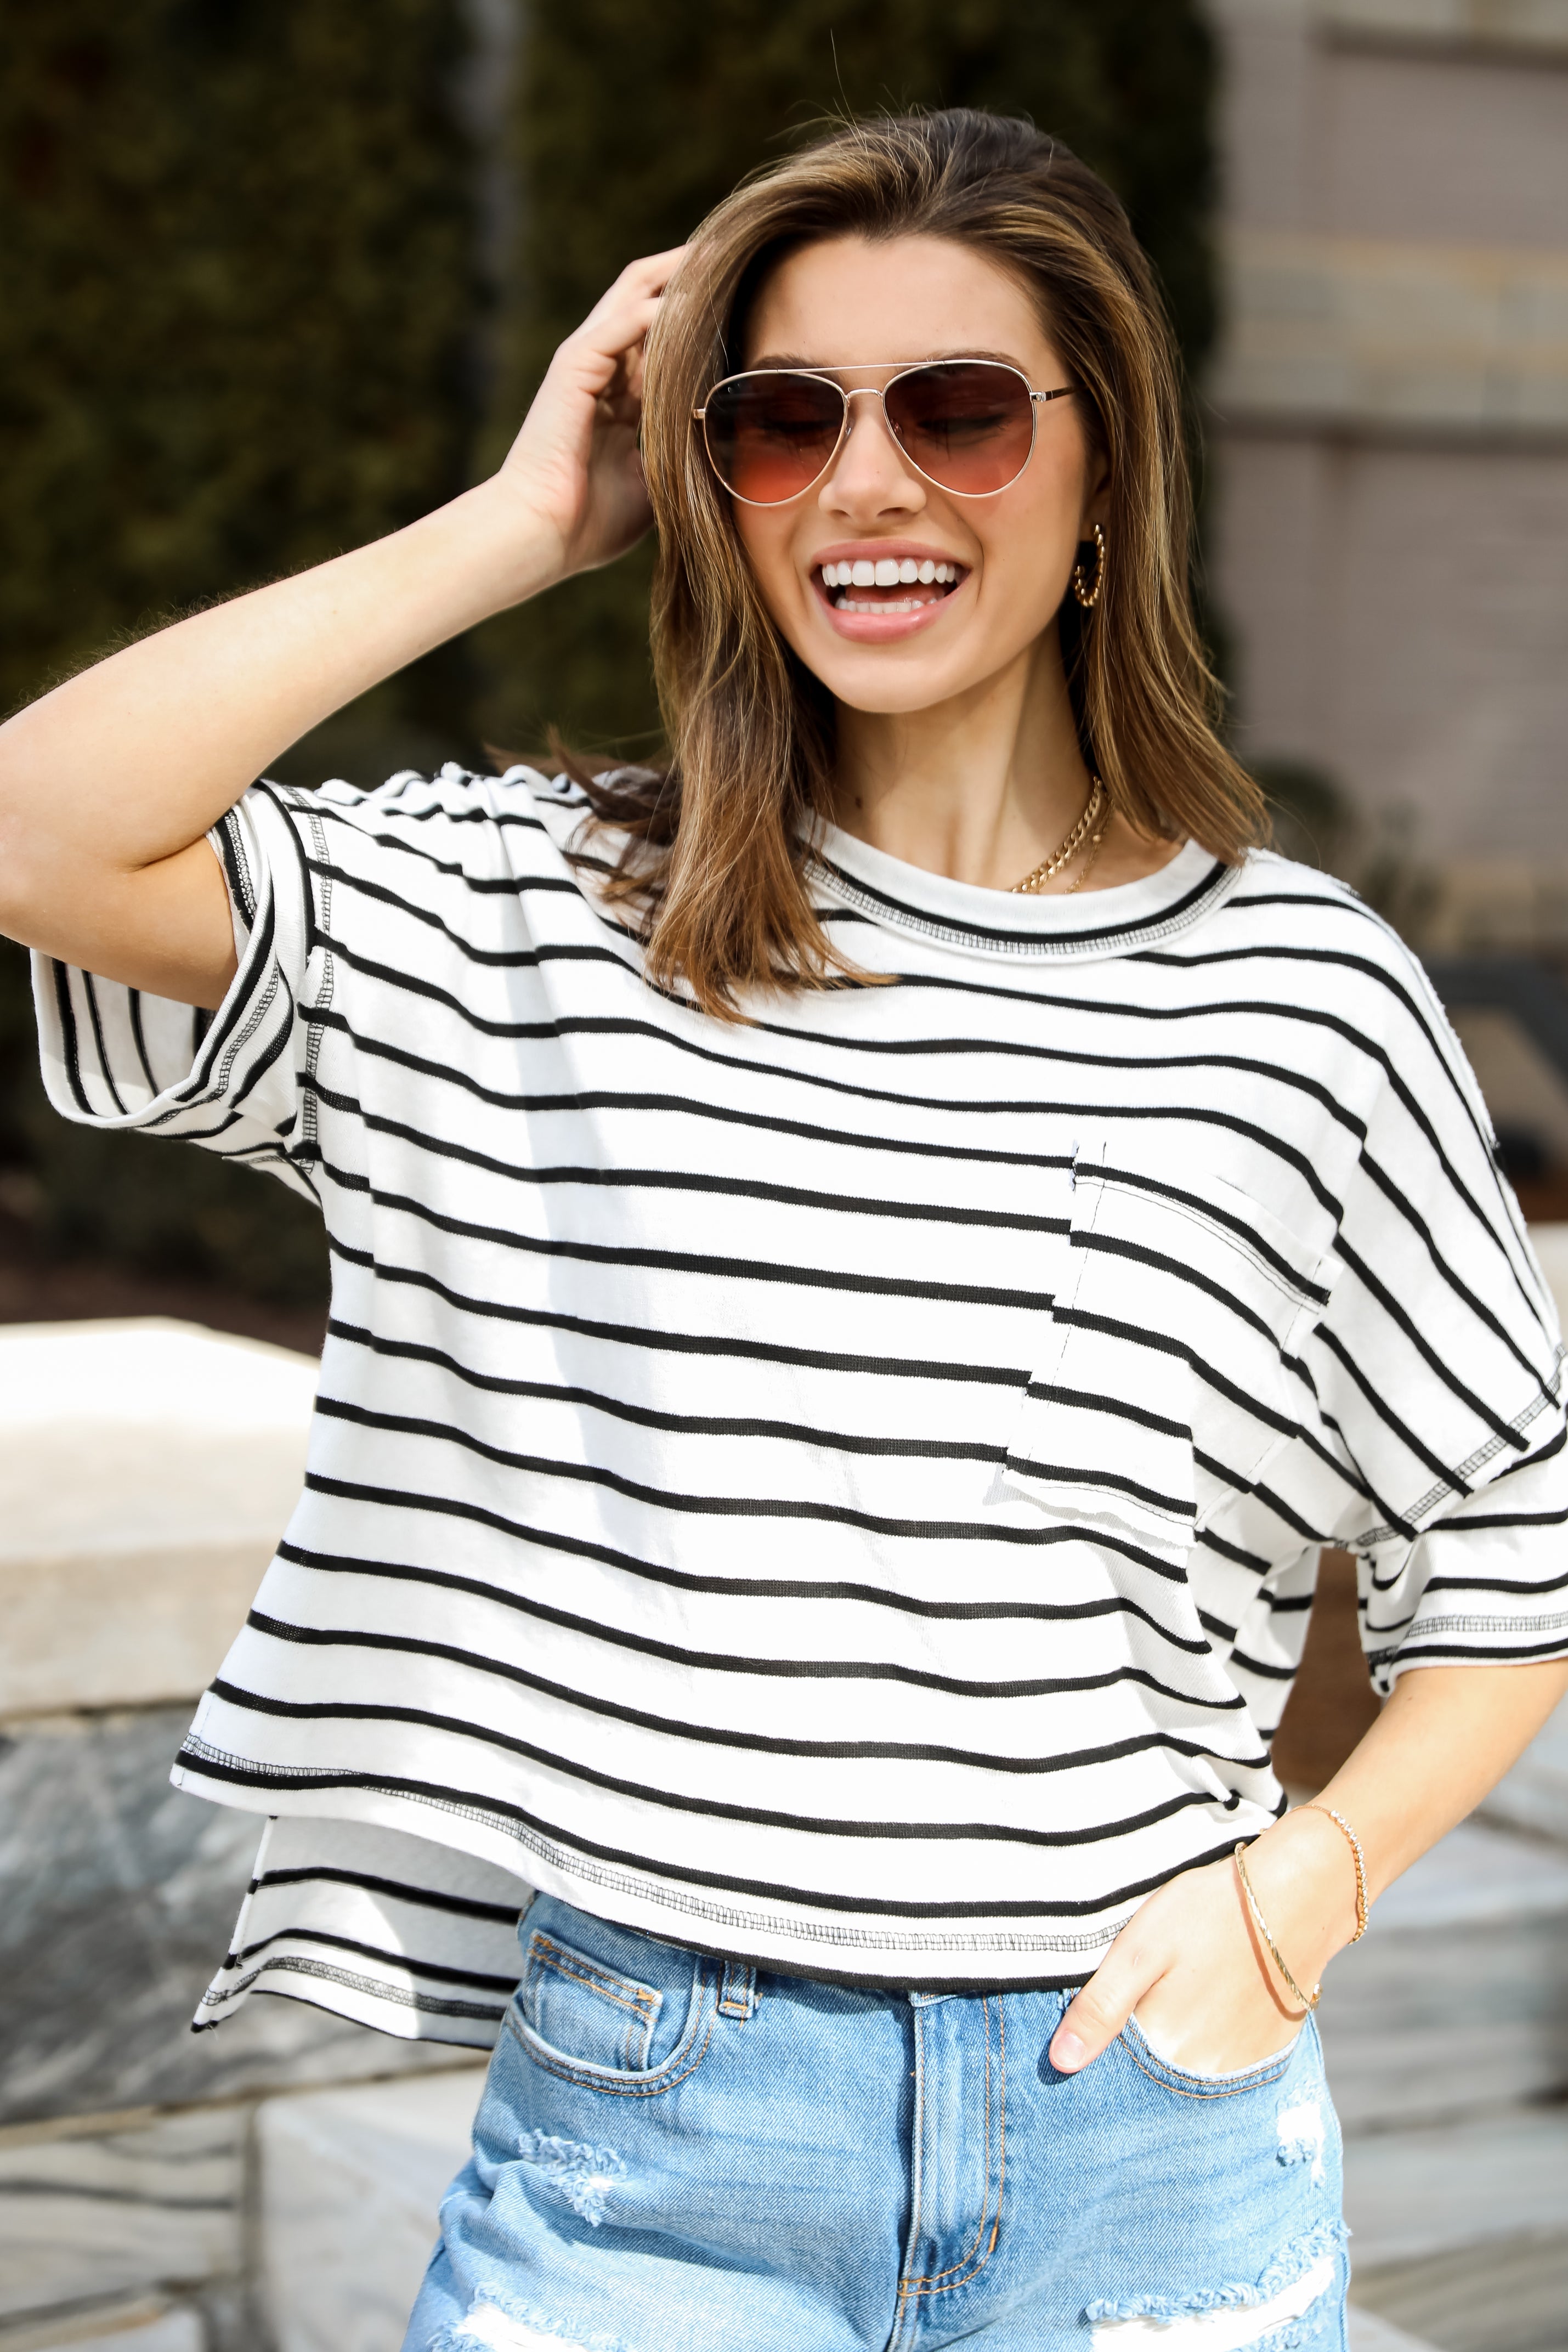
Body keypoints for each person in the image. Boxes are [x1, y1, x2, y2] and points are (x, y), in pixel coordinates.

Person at [1, 108, 1563, 2352]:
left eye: (958, 410)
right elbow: (39, 833)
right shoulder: (543, 914)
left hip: (1146, 2124)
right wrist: (521, 521)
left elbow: (1509, 1532)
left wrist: (1302, 1891)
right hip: (656, 2146)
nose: (865, 484)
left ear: (1106, 470)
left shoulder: (1296, 995)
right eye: (778, 421)